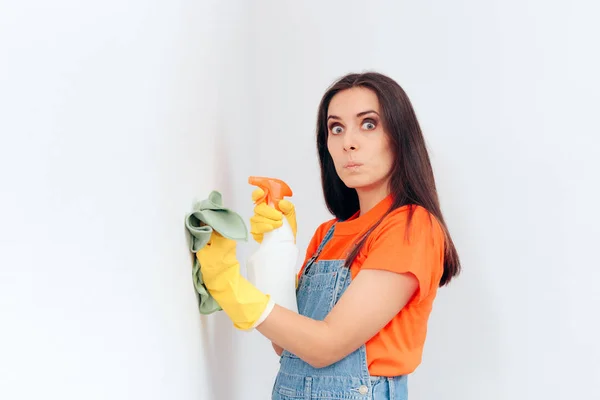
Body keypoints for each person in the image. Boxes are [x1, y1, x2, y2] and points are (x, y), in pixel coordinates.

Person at [196, 71, 461, 399]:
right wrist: (277, 249)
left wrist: (228, 285)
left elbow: (326, 346)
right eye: (336, 128)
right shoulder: (328, 234)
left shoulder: (412, 227)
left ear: (400, 136)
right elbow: (287, 346)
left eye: (368, 124)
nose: (349, 141)